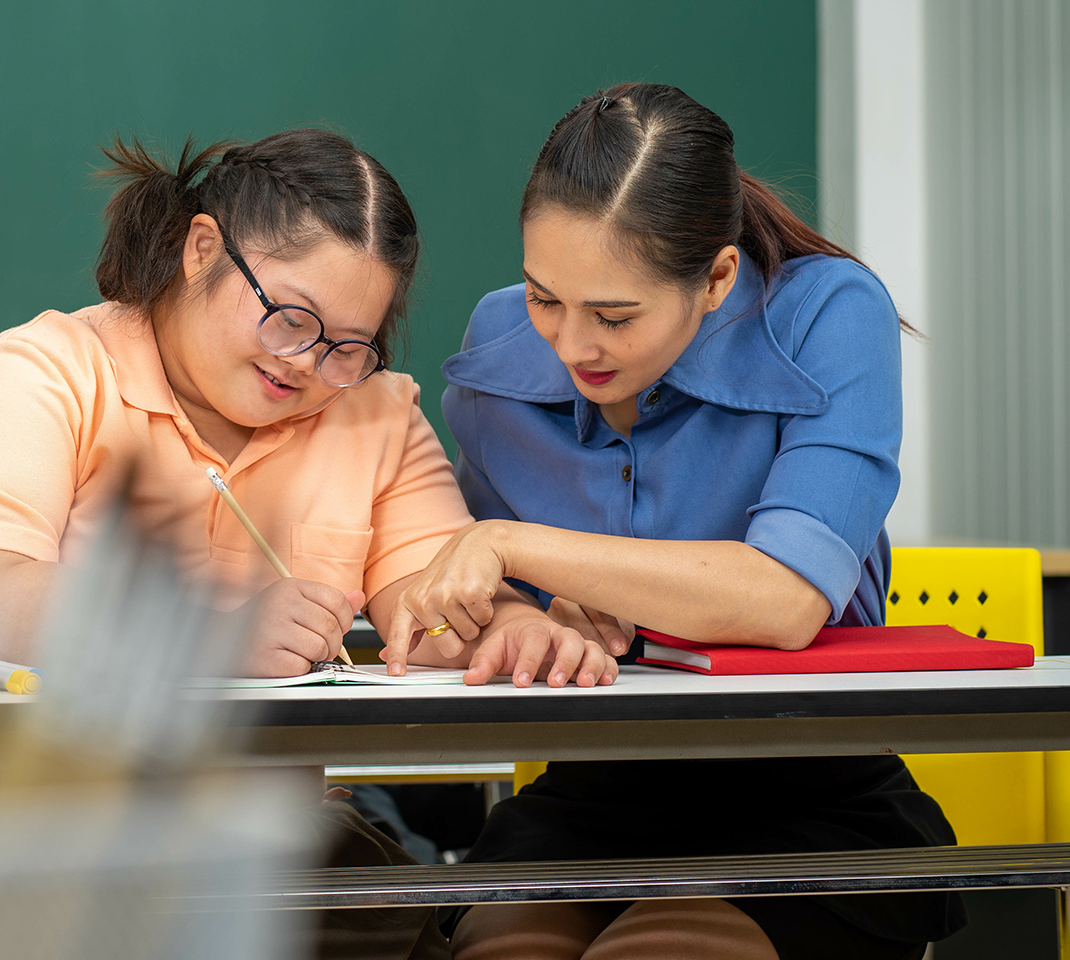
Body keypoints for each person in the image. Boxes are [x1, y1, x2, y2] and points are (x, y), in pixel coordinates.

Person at [383, 84, 962, 959]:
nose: (573, 345)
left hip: (810, 794)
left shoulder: (830, 313)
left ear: (717, 278)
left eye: (615, 316)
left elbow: (784, 599)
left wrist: (512, 545)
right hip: (590, 793)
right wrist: (503, 620)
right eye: (545, 296)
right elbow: (492, 614)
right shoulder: (500, 348)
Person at [0, 128, 617, 687]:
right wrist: (219, 637)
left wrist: (513, 630)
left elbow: (427, 605)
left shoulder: (373, 414)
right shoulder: (43, 376)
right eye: (289, 316)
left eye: (347, 344)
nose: (306, 362)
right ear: (202, 248)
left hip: (259, 840)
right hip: (12, 826)